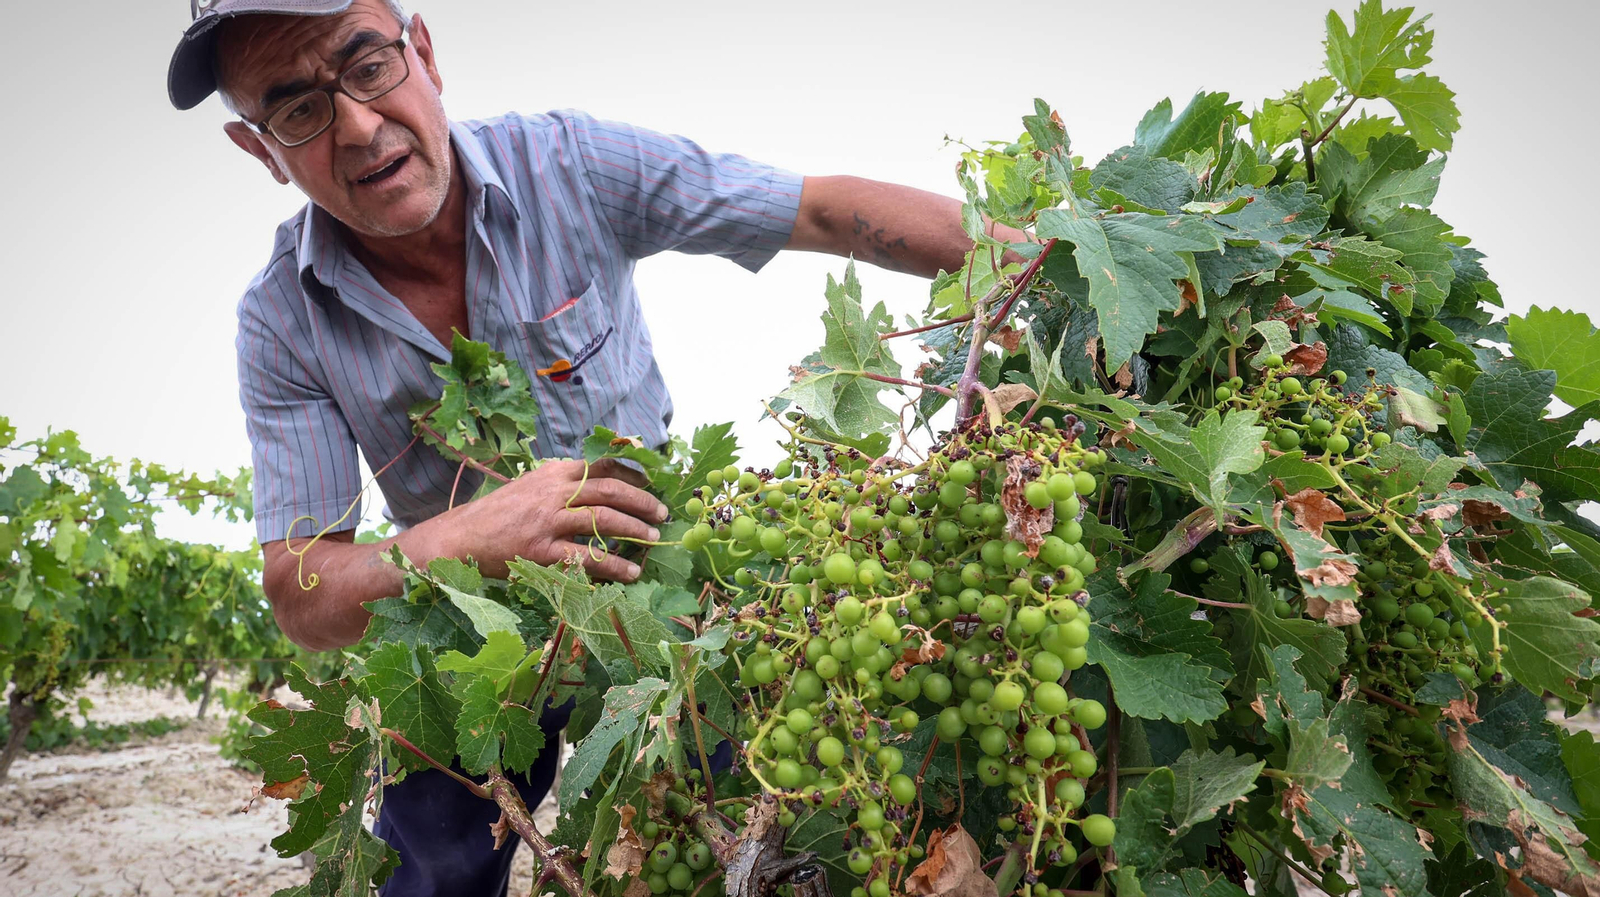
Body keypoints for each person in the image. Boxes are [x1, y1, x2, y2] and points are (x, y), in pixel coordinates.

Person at [169, 1, 1021, 894]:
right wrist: (467, 539)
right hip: (470, 632)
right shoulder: (280, 319)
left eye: (369, 66)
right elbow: (303, 591)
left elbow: (821, 210)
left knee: (740, 827)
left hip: (662, 583)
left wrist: (1049, 261)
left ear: (422, 51)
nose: (358, 125)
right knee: (436, 867)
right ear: (260, 148)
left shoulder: (568, 165)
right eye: (298, 109)